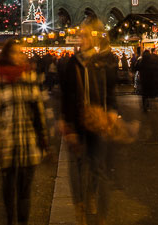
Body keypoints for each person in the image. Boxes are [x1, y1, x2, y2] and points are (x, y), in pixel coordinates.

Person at [0, 40, 50, 225]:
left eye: (20, 52)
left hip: (28, 143)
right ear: (7, 55)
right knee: (8, 193)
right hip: (6, 143)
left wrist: (43, 140)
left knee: (24, 193)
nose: (19, 55)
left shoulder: (30, 77)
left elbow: (39, 111)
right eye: (15, 52)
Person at [60, 17, 116, 225]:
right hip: (76, 121)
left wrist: (111, 112)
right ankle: (80, 206)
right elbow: (66, 95)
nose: (80, 38)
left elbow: (110, 92)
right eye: (79, 35)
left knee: (98, 168)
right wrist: (65, 120)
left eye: (84, 35)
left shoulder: (103, 62)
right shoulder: (70, 63)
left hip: (97, 120)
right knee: (77, 166)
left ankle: (98, 208)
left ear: (93, 38)